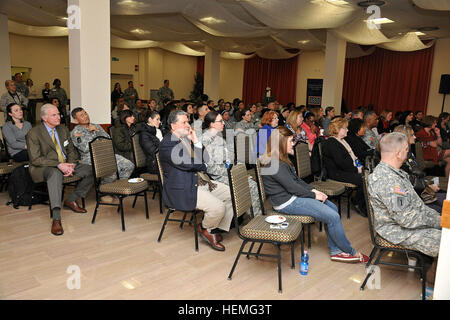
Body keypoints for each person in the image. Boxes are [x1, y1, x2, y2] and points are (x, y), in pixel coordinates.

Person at [260, 126, 369, 263]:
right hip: (286, 202)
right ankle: (348, 251)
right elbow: (292, 187)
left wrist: (313, 191)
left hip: (292, 196)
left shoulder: (280, 159)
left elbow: (296, 181)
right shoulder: (273, 163)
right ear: (281, 143)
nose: (293, 143)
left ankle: (336, 251)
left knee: (333, 209)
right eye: (290, 141)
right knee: (333, 216)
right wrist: (313, 195)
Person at [159, 110, 233, 251]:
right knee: (219, 207)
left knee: (231, 195)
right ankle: (205, 228)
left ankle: (213, 229)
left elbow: (204, 157)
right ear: (173, 125)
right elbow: (189, 163)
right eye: (184, 122)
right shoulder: (167, 143)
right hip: (183, 188)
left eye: (188, 122)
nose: (188, 125)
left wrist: (197, 141)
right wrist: (203, 164)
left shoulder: (186, 139)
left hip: (200, 181)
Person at [368, 132, 441, 261]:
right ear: (398, 152)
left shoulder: (396, 173)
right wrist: (438, 221)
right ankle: (435, 274)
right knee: (446, 241)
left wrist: (437, 218)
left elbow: (418, 206)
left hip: (406, 223)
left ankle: (434, 270)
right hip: (396, 230)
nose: (408, 153)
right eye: (406, 149)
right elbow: (406, 219)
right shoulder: (388, 180)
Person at [26, 104, 94, 236]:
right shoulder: (33, 133)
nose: (59, 117)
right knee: (55, 174)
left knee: (91, 170)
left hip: (65, 164)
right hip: (43, 167)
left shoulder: (62, 129)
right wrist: (58, 165)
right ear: (44, 118)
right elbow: (35, 159)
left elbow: (71, 150)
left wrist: (71, 164)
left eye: (58, 114)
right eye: (54, 115)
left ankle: (71, 200)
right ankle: (56, 217)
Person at [201, 111, 261, 216]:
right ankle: (256, 217)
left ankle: (251, 214)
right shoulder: (205, 140)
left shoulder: (219, 138)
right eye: (220, 121)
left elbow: (229, 158)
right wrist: (233, 173)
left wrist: (236, 171)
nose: (223, 123)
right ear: (211, 124)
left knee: (251, 181)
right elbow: (211, 169)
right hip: (215, 176)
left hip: (226, 172)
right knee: (250, 185)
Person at [70, 108, 134, 203]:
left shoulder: (96, 126)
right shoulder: (76, 132)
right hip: (90, 157)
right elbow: (86, 148)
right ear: (76, 119)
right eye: (82, 115)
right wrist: (94, 134)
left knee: (128, 165)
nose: (86, 116)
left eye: (85, 113)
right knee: (110, 169)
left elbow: (108, 140)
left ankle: (116, 188)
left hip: (105, 153)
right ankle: (104, 192)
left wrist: (97, 131)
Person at [393, 125, 445, 213]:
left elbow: (415, 175)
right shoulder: (400, 159)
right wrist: (428, 186)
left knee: (444, 199)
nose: (415, 137)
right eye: (412, 135)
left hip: (420, 189)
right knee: (442, 205)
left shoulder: (409, 153)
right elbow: (408, 184)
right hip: (416, 195)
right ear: (404, 138)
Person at [322, 118, 367, 216]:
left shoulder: (341, 141)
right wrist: (357, 169)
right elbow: (341, 163)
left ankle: (362, 202)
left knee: (367, 175)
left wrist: (358, 167)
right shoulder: (331, 143)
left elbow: (350, 159)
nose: (347, 130)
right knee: (364, 178)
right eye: (345, 128)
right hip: (335, 173)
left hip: (344, 170)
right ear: (338, 129)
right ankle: (357, 202)